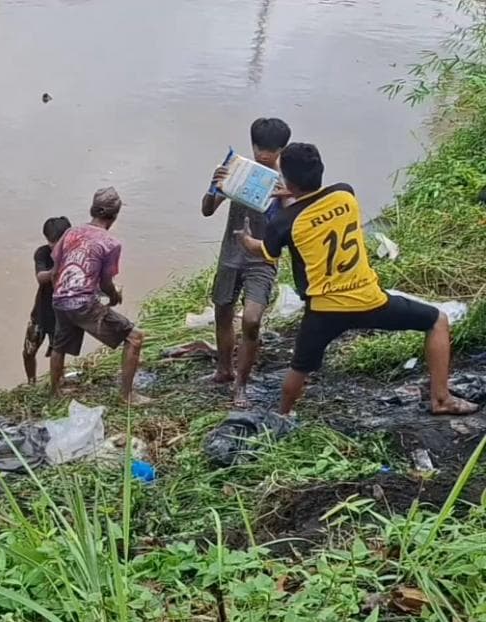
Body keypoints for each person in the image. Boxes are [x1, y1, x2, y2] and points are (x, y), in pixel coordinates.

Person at [235, 142, 478, 416]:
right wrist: (293, 192)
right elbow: (316, 205)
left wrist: (246, 240)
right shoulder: (344, 194)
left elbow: (267, 251)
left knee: (299, 368)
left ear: (287, 180)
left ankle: (283, 415)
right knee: (436, 320)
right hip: (369, 300)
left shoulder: (285, 222)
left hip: (324, 310)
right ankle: (442, 398)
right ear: (320, 171)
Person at [202, 117, 292, 405]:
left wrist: (286, 197)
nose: (264, 156)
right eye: (260, 149)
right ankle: (223, 369)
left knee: (252, 320)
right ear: (252, 146)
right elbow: (207, 210)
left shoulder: (287, 181)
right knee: (223, 313)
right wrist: (216, 185)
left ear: (281, 149)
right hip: (230, 255)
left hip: (262, 259)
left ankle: (241, 384)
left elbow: (295, 224)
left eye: (271, 151)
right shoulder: (237, 170)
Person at [48, 187, 148, 404]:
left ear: (92, 209)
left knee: (59, 346)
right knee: (135, 337)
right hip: (83, 303)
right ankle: (127, 396)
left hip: (59, 298)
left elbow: (56, 269)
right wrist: (113, 296)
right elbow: (104, 282)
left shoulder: (70, 233)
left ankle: (55, 392)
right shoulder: (111, 244)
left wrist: (62, 293)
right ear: (114, 216)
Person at [23, 216, 72, 384]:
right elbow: (40, 277)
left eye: (57, 241)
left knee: (58, 353)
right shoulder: (43, 253)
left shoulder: (75, 255)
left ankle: (58, 382)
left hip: (62, 316)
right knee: (29, 351)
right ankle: (31, 382)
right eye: (50, 241)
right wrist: (57, 268)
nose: (53, 245)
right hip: (41, 313)